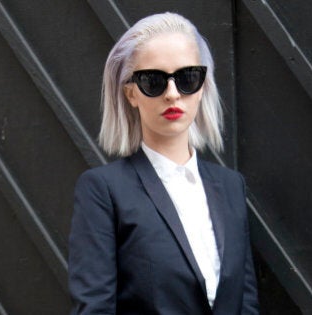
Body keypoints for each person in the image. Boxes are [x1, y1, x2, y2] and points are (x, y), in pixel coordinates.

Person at [68, 12, 259, 314]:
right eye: (154, 81)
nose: (172, 94)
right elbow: (95, 308)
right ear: (131, 93)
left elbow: (245, 303)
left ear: (202, 85)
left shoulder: (230, 186)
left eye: (187, 79)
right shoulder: (104, 190)